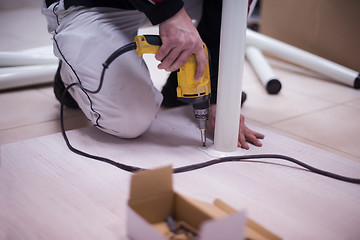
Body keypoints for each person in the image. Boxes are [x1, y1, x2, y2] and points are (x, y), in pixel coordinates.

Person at [42, 0, 264, 149]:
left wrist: (216, 97)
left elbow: (224, 23)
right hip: (94, 3)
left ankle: (175, 87)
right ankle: (71, 77)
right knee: (130, 120)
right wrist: (169, 10)